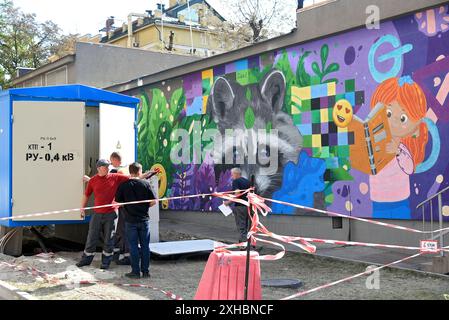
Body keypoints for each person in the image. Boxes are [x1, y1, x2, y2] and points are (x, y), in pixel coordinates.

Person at [369, 76, 430, 219]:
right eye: (388, 113)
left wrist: (398, 152)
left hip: (400, 199)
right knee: (380, 227)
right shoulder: (376, 142)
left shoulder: (403, 148)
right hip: (378, 199)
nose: (394, 122)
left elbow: (409, 168)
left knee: (400, 222)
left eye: (403, 118)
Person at [77, 159, 129, 269]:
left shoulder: (115, 177)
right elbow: (86, 195)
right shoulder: (93, 181)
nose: (108, 168)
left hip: (111, 214)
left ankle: (106, 262)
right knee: (92, 237)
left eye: (108, 166)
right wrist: (82, 208)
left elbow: (132, 178)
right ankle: (86, 260)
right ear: (99, 168)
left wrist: (144, 176)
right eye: (105, 167)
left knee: (109, 238)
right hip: (97, 214)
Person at [115, 162, 156, 279]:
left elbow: (118, 202)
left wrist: (128, 207)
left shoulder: (123, 185)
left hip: (130, 221)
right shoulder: (145, 184)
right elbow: (153, 201)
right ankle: (146, 272)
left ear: (130, 171)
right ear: (140, 171)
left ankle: (135, 272)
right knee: (145, 246)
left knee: (133, 246)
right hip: (144, 220)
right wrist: (143, 207)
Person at [224, 168, 251, 244]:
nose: (231, 176)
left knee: (241, 226)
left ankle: (243, 244)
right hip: (248, 206)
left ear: (236, 174)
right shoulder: (247, 182)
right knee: (246, 225)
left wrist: (228, 202)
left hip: (240, 207)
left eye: (232, 174)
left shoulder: (236, 181)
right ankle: (248, 243)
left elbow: (237, 193)